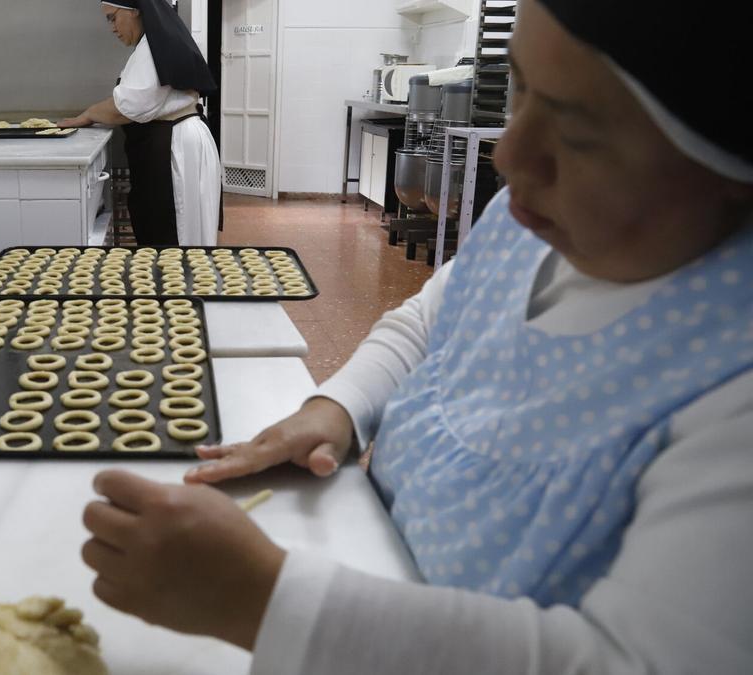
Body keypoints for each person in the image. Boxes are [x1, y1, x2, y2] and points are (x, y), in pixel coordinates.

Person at [79, 0, 753, 672]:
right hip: (372, 575)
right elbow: (429, 323)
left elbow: (628, 659)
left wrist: (265, 601)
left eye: (578, 133)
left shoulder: (730, 386)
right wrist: (334, 406)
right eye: (520, 92)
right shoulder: (528, 230)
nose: (511, 155)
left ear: (728, 175)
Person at [60, 0, 221, 247]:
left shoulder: (152, 49)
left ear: (136, 10)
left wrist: (89, 114)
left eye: (113, 17)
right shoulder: (158, 42)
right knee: (188, 233)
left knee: (173, 235)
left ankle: (176, 285)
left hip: (175, 148)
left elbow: (128, 107)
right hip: (185, 141)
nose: (112, 27)